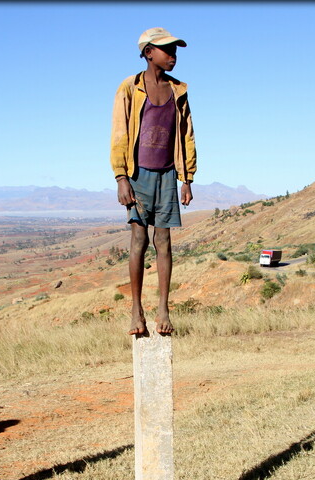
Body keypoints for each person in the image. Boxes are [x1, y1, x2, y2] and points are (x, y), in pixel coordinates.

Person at [110, 27, 197, 336]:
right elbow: (120, 134)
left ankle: (163, 309)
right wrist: (121, 177)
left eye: (175, 50)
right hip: (138, 175)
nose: (173, 55)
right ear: (148, 52)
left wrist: (186, 178)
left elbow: (186, 136)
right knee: (138, 240)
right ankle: (135, 311)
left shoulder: (179, 91)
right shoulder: (130, 88)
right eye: (166, 49)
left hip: (167, 176)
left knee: (164, 242)